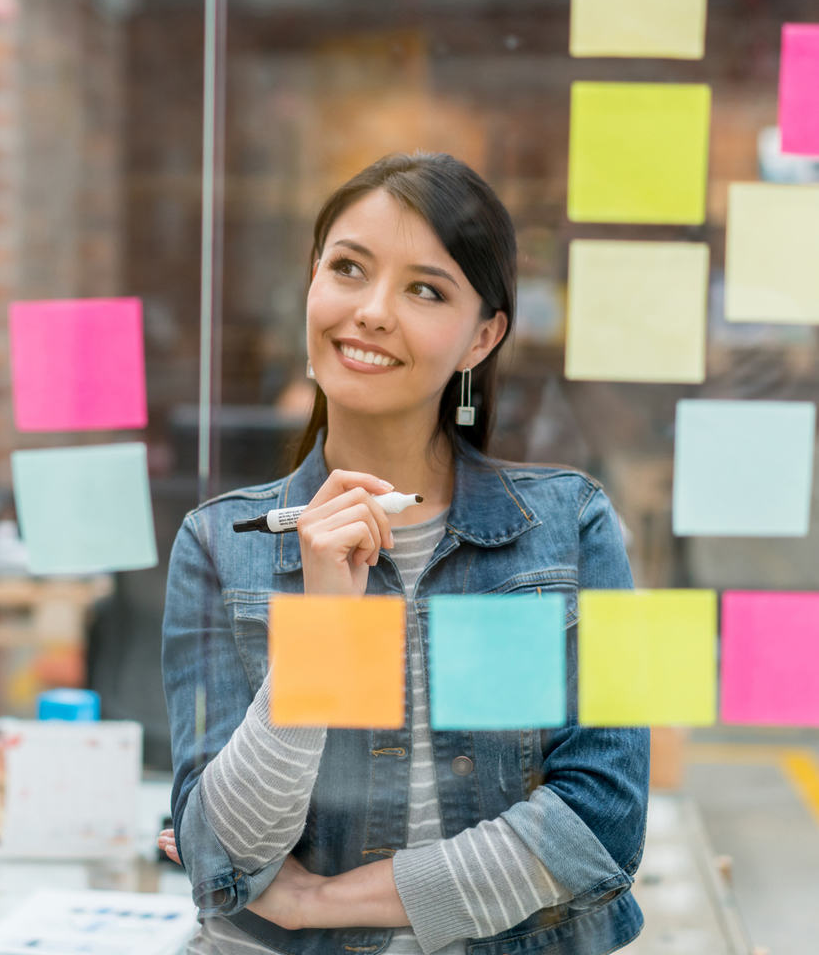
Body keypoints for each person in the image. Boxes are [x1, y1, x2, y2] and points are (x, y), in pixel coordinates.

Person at [159, 152, 649, 955]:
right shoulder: (220, 546)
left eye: (426, 289)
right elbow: (224, 858)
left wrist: (318, 902)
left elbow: (600, 825)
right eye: (348, 268)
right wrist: (323, 632)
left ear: (481, 337)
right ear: (311, 283)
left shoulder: (572, 529)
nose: (373, 311)